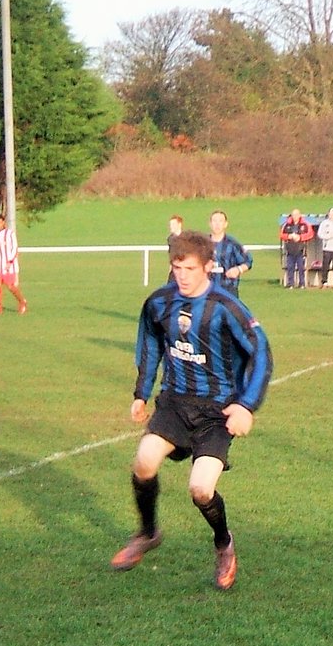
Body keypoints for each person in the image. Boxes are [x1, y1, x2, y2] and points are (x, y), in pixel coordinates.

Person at [111, 229, 272, 591]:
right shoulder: (158, 303)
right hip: (175, 402)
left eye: (189, 268)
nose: (181, 274)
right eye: (176, 266)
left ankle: (223, 544)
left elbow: (260, 353)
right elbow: (150, 345)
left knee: (200, 489)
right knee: (144, 460)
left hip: (217, 411)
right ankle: (148, 533)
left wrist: (246, 405)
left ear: (208, 267)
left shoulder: (226, 306)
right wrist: (141, 393)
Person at [0, 213, 28, 315]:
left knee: (11, 286)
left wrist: (10, 261)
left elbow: (14, 248)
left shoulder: (9, 234)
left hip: (8, 265)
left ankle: (22, 301)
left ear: (3, 223)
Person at [208, 210, 253, 297]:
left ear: (225, 224)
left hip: (228, 289)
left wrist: (238, 269)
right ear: (210, 224)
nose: (217, 224)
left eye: (220, 221)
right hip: (208, 290)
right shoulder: (202, 244)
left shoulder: (232, 243)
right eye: (214, 221)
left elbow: (248, 261)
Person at [279, 209, 314, 289]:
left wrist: (300, 237)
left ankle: (302, 283)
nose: (294, 217)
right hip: (290, 249)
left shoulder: (305, 224)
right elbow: (281, 235)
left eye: (296, 215)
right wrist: (288, 236)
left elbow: (310, 234)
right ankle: (290, 283)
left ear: (299, 215)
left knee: (301, 267)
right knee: (290, 267)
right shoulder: (286, 224)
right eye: (293, 215)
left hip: (300, 249)